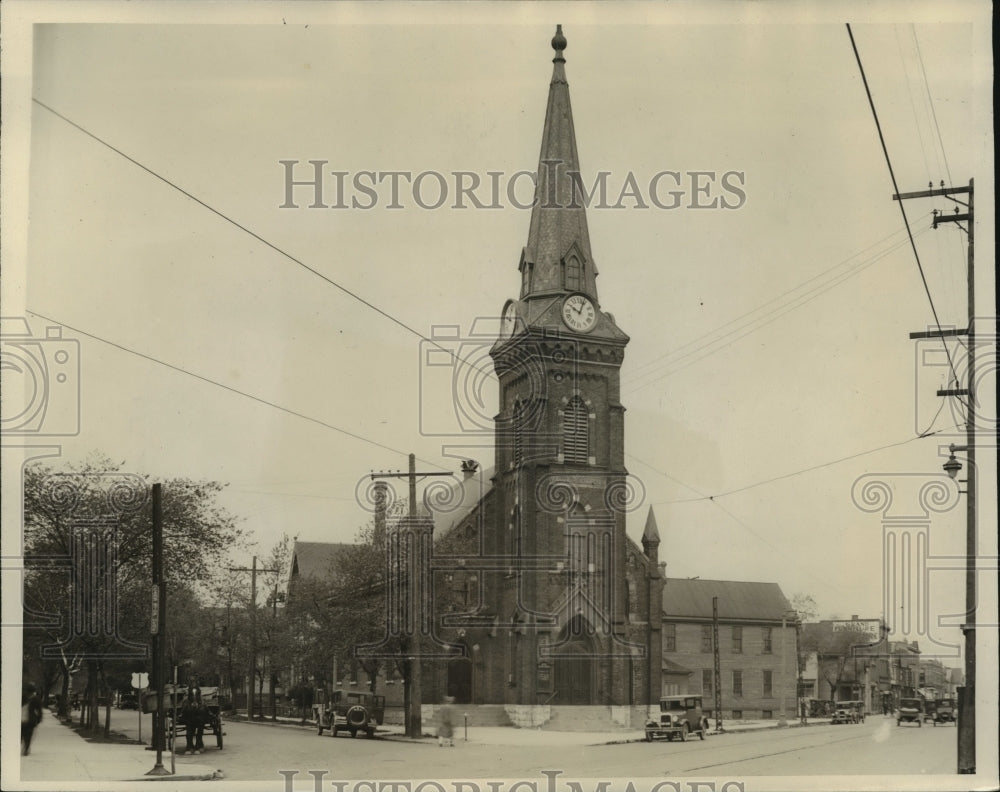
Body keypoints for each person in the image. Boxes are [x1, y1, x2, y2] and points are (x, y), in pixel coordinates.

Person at [21, 683, 43, 756]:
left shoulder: (32, 699)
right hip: (27, 720)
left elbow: (39, 711)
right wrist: (39, 720)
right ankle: (26, 748)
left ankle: (26, 748)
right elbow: (39, 711)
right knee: (26, 735)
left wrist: (38, 720)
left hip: (28, 721)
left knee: (27, 735)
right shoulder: (25, 698)